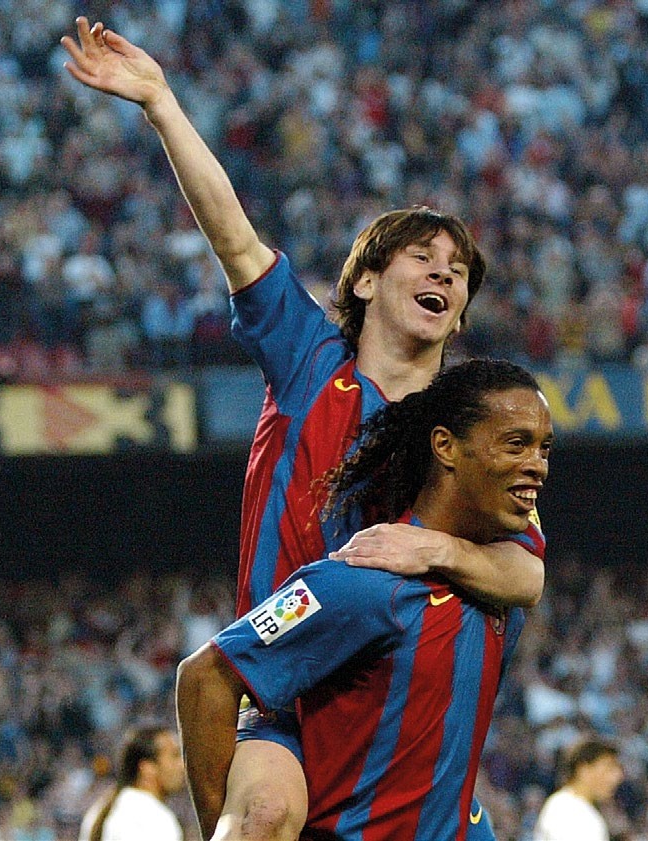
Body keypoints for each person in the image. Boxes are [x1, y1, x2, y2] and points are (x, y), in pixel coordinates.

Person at [61, 19, 544, 841]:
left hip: (399, 699)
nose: (442, 273)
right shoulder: (310, 361)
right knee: (267, 812)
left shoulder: (466, 427)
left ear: (460, 316)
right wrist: (160, 104)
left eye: (456, 272)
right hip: (285, 688)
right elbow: (234, 236)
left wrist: (433, 550)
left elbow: (525, 571)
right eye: (422, 258)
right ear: (361, 281)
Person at [186, 358, 553, 840]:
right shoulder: (361, 581)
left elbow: (531, 577)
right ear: (445, 446)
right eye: (516, 444)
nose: (538, 467)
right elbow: (205, 676)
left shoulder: (505, 562)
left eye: (544, 449)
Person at [79, 725, 186, 841]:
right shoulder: (154, 819)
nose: (182, 765)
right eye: (174, 756)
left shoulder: (98, 812)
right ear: (147, 768)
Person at [531, 738, 624, 841]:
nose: (617, 776)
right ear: (584, 770)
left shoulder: (564, 803)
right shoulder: (573, 813)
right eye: (608, 769)